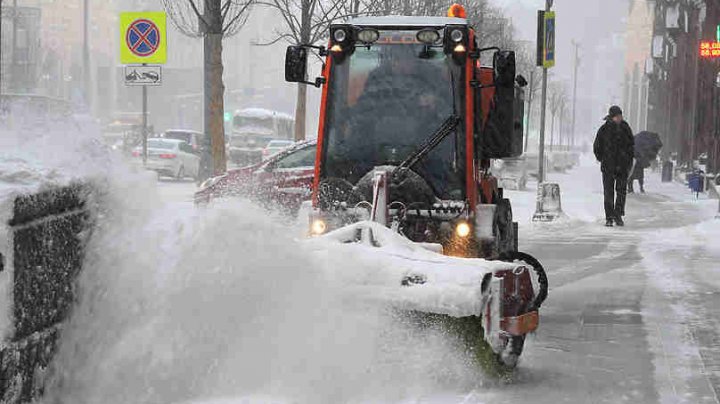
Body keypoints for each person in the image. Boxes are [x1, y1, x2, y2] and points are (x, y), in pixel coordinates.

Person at [593, 105, 634, 227]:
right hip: (608, 167)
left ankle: (618, 214)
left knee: (621, 191)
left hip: (622, 166)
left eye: (620, 116)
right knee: (608, 192)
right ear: (612, 117)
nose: (619, 118)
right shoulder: (604, 130)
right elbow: (597, 147)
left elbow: (631, 145)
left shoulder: (625, 128)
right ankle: (609, 217)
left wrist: (628, 160)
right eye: (617, 116)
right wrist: (603, 159)